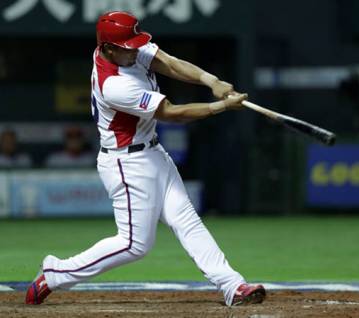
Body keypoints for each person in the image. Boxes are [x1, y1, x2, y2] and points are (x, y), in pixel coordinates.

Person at [26, 11, 265, 306]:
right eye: (128, 46)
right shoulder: (113, 84)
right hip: (126, 163)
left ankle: (232, 285)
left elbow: (168, 62)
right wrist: (221, 107)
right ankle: (55, 273)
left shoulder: (123, 49)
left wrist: (210, 80)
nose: (135, 50)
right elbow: (171, 113)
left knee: (186, 220)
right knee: (134, 244)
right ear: (108, 49)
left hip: (152, 152)